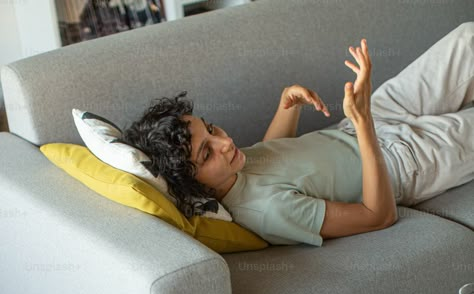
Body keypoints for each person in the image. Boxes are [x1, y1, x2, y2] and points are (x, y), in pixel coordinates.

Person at [123, 23, 474, 246]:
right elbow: (378, 216)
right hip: (402, 162)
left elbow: (274, 155)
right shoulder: (268, 212)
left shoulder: (233, 170)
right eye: (207, 153)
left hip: (366, 122)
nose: (225, 143)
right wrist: (364, 123)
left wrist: (286, 106)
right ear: (193, 184)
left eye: (211, 129)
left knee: (467, 40)